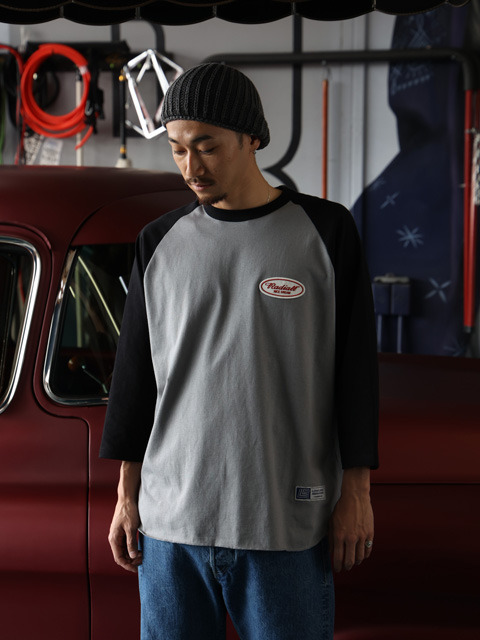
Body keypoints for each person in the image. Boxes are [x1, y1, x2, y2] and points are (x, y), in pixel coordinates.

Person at [100, 62, 379, 640]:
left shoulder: (326, 232)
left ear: (252, 138)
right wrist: (126, 497)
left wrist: (357, 491)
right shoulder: (159, 241)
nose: (191, 167)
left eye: (207, 146)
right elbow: (136, 382)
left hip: (284, 524)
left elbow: (355, 374)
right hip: (171, 529)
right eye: (178, 149)